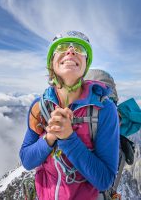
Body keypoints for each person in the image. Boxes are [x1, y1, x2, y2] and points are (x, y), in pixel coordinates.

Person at [19, 31, 120, 200]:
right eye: (63, 47)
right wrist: (50, 136)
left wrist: (68, 138)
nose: (71, 51)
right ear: (52, 61)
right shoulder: (39, 107)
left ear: (86, 64)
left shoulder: (103, 109)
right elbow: (27, 161)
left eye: (79, 49)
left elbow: (104, 180)